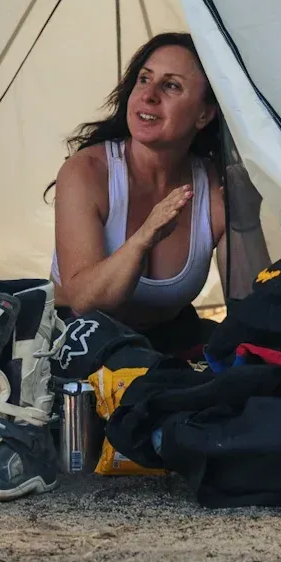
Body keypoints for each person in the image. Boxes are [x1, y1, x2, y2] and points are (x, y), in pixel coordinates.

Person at [52, 32, 228, 354]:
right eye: (144, 79)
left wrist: (248, 222)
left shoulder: (214, 187)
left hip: (170, 343)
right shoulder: (87, 172)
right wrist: (144, 237)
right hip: (78, 343)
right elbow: (85, 301)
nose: (148, 95)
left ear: (204, 114)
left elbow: (248, 300)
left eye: (171, 85)